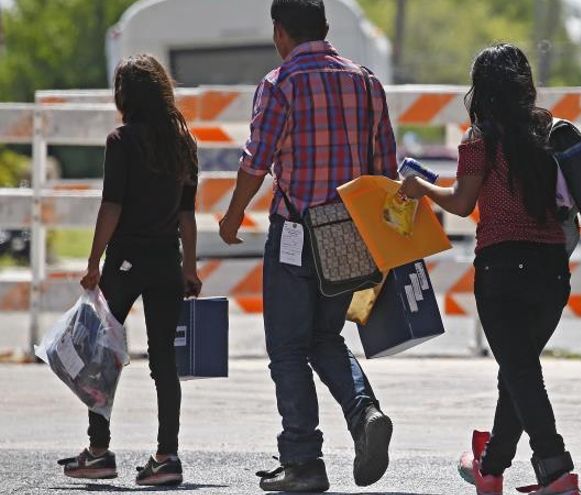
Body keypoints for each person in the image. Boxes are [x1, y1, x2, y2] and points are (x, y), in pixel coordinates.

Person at [401, 43, 581, 495]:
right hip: (550, 272)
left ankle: (556, 468)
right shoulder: (557, 132)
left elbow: (463, 204)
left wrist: (421, 187)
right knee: (517, 369)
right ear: (526, 84)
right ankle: (491, 467)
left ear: (481, 88)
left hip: (502, 268)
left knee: (520, 370)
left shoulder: (479, 137)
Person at [218, 0, 397, 492]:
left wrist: (233, 217)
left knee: (288, 349)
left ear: (280, 32)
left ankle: (303, 462)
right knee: (325, 337)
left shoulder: (280, 85)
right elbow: (386, 170)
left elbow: (256, 163)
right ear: (325, 27)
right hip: (351, 234)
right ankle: (365, 413)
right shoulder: (366, 83)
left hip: (297, 234)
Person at [62, 54, 201, 486]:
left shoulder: (121, 141)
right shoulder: (184, 142)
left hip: (123, 261)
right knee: (164, 360)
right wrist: (190, 269)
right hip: (166, 262)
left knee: (102, 352)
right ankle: (167, 456)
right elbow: (186, 216)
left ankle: (99, 452)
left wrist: (92, 262)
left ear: (125, 95)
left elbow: (112, 207)